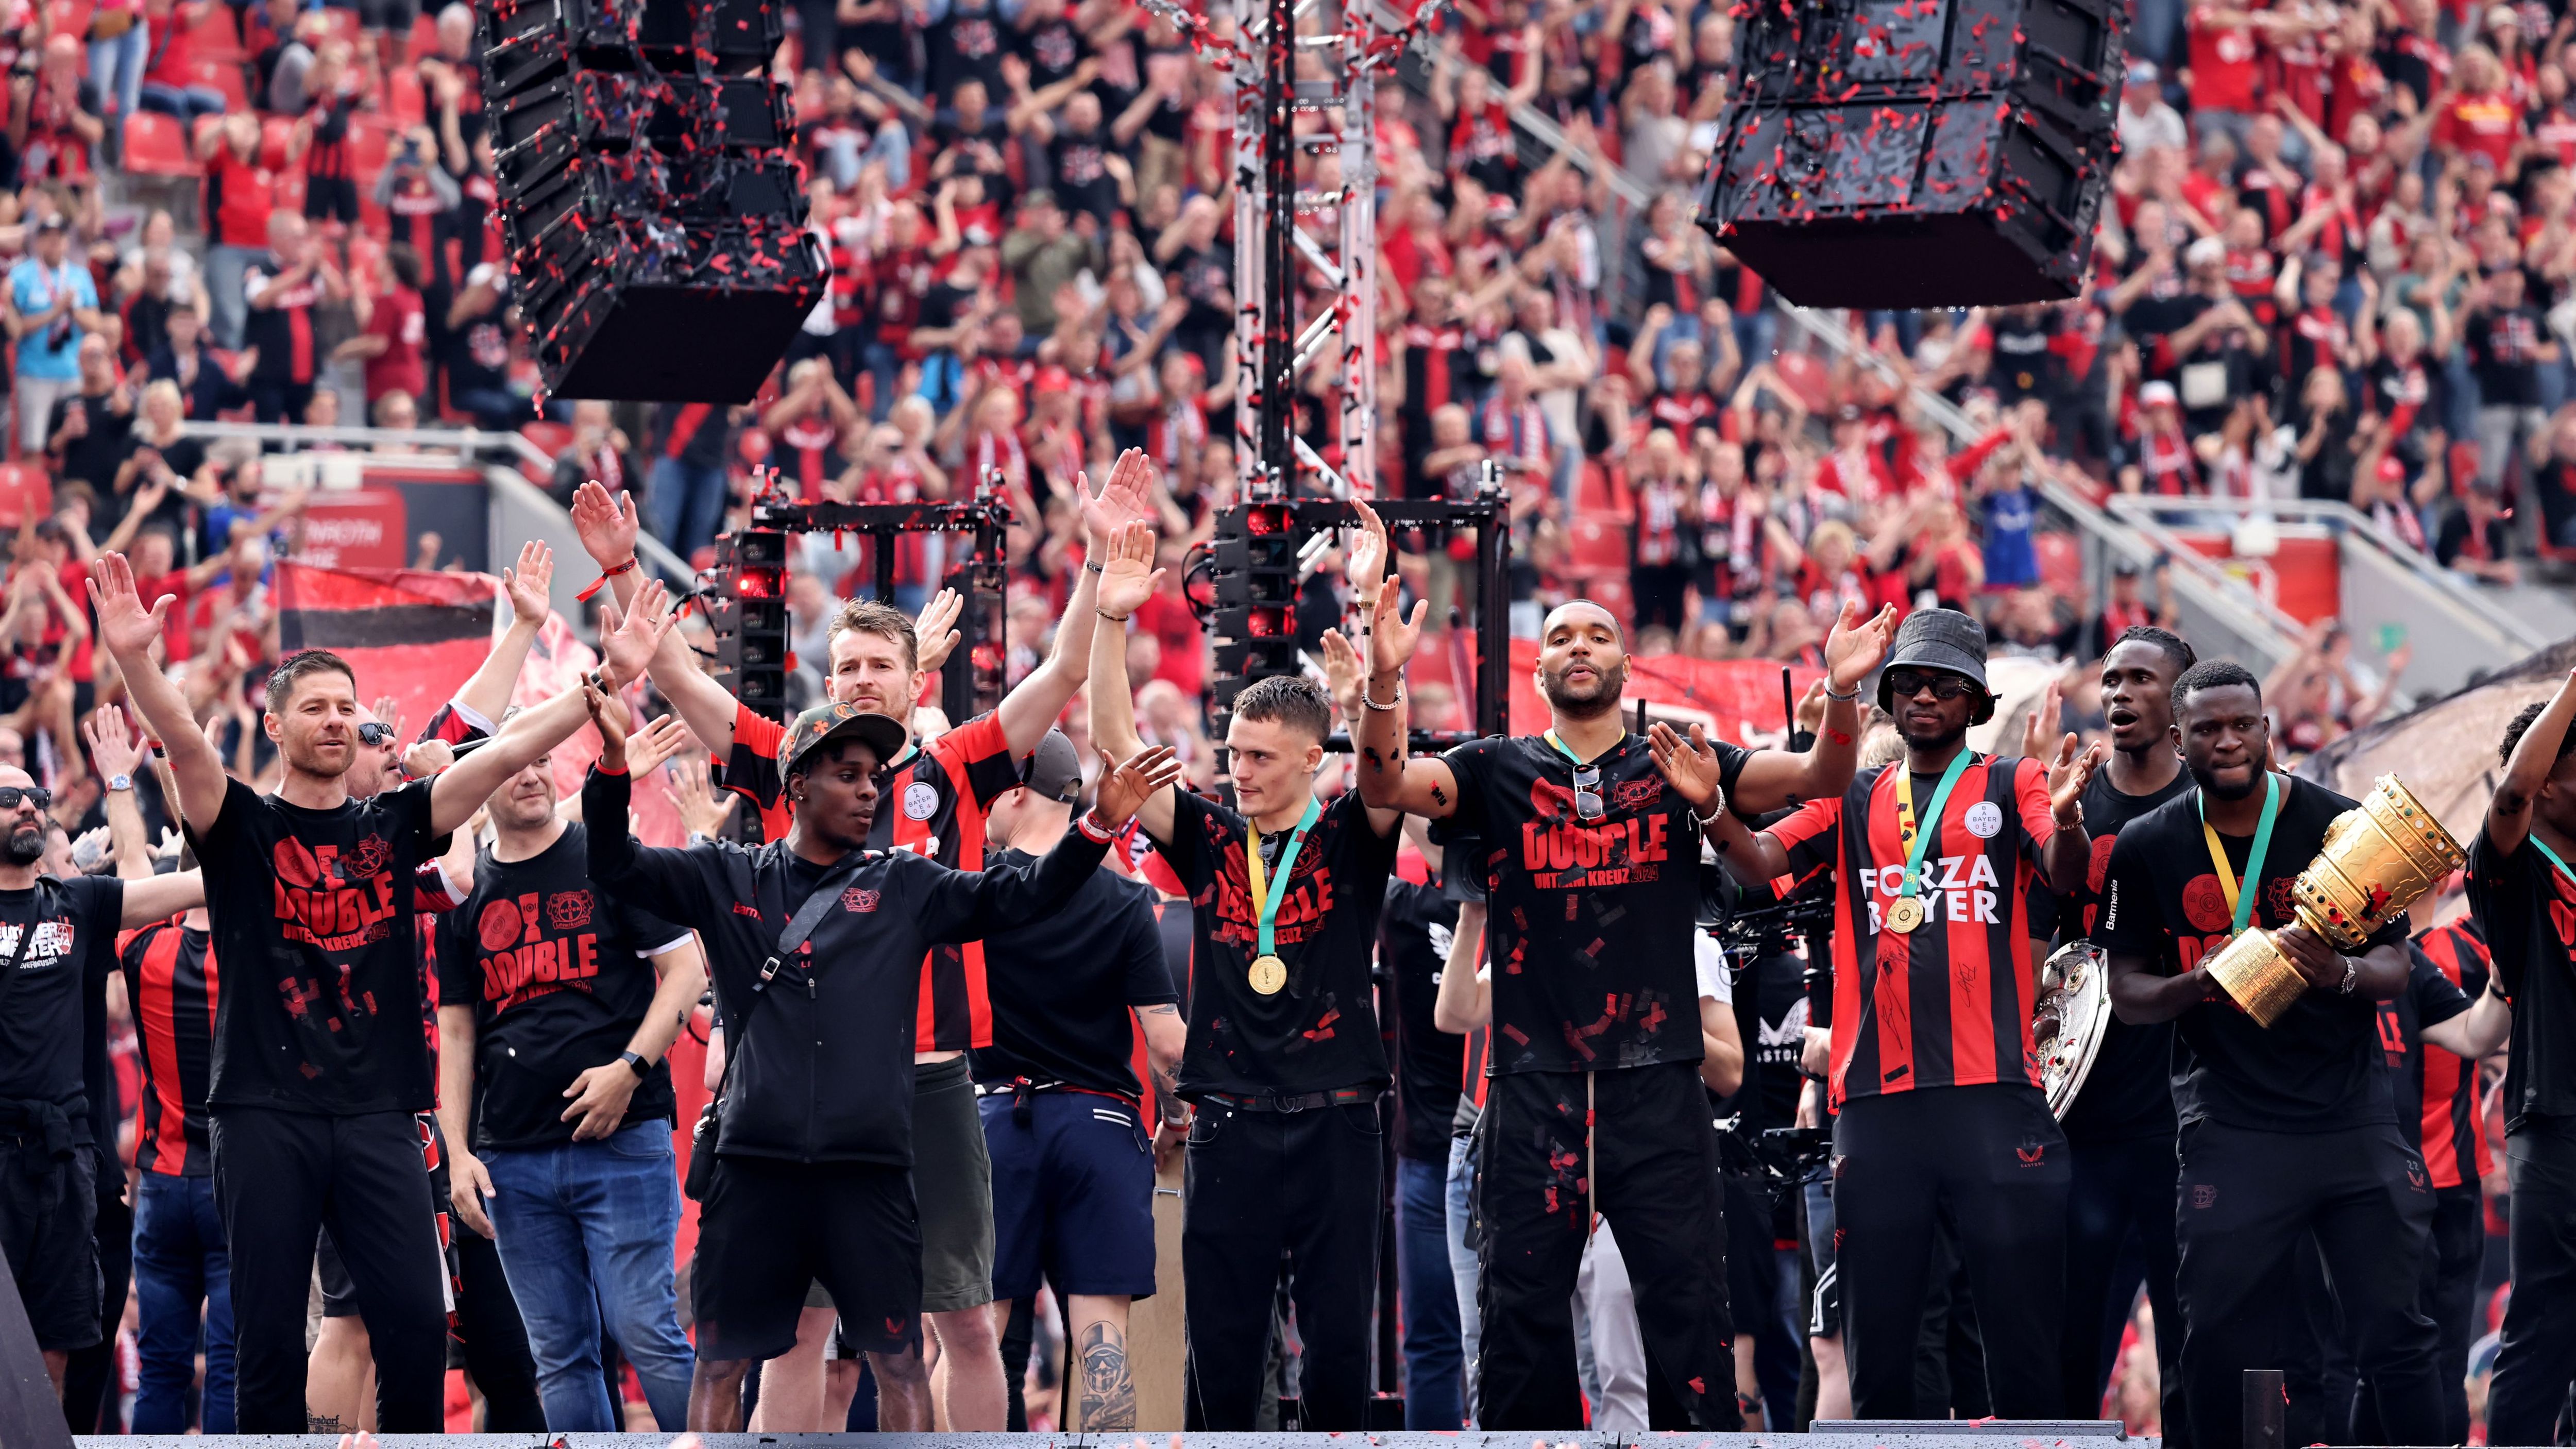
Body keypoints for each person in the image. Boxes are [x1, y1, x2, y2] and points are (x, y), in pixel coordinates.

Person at [569, 451, 1155, 1431]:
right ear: (826, 682)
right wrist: (628, 569)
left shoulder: (960, 761)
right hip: (796, 1087)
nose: (863, 681)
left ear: (915, 675)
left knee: (964, 1323)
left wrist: (1097, 561)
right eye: (846, 668)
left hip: (930, 1078)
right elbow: (671, 672)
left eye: (881, 666)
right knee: (794, 1333)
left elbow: (1058, 674)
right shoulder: (781, 761)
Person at [85, 548, 679, 1434]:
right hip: (262, 1113)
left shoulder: (395, 822)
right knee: (270, 1341)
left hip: (380, 1115)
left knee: (411, 1330)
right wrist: (137, 659)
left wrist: (607, 676)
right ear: (276, 727)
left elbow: (508, 746)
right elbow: (178, 737)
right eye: (315, 708)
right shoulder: (239, 826)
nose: (336, 721)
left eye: (347, 708)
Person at [1348, 486, 1898, 1431]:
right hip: (1535, 1088)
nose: (1576, 648)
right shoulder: (1494, 768)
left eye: (1595, 635)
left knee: (1689, 1325)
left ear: (1624, 661)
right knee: (1520, 1330)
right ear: (1538, 667)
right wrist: (1385, 677)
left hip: (1658, 1090)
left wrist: (1843, 693)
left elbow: (1822, 778)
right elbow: (1385, 781)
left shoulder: (1677, 758)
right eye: (1559, 636)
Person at [1704, 608, 2099, 1420]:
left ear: (1976, 705)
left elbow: (2062, 875)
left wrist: (2066, 819)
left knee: (2017, 1332)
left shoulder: (2013, 782)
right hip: (1879, 1106)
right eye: (1910, 683)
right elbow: (1758, 863)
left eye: (1946, 687)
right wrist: (1714, 810)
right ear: (1888, 696)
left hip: (1995, 1092)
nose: (1925, 697)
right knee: (1880, 1337)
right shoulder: (1851, 797)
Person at [1089, 519, 1404, 1430]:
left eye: (1262, 758)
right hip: (1228, 1119)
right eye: (1232, 754)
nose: (1241, 772)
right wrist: (1113, 617)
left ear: (1315, 758)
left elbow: (1389, 771)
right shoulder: (1211, 836)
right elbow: (1117, 743)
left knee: (1342, 1345)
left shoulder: (1351, 834)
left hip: (1338, 1117)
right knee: (1222, 1352)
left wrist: (1379, 679)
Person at [2097, 661, 2446, 1449]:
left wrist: (2338, 972)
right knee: (2220, 1343)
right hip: (2232, 1124)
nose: (2228, 742)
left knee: (2397, 1332)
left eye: (2242, 725)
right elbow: (2125, 993)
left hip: (2349, 1119)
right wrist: (2205, 982)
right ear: (2179, 741)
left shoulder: (2341, 823)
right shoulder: (2147, 847)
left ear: (2268, 729)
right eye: (2209, 730)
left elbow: (2396, 966)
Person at [432, 726, 710, 1431]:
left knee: (646, 1330)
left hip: (623, 1140)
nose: (529, 774)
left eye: (540, 759)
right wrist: (459, 1153)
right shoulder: (463, 894)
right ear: (481, 781)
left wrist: (629, 1070)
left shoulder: (609, 857)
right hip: (512, 1158)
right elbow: (458, 1031)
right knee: (557, 1354)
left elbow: (686, 973)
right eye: (511, 763)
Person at [970, 727, 1184, 1433]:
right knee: (1102, 1342)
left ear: (1015, 792)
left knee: (973, 1342)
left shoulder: (975, 893)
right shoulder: (1125, 898)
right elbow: (1166, 1045)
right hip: (1100, 1127)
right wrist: (1178, 1124)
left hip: (998, 1124)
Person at [0, 753, 204, 1405]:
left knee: (55, 1345)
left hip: (63, 1165)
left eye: (35, 794)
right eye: (11, 800)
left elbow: (189, 887)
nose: (30, 805)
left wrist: (188, 782)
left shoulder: (77, 903)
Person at [2054, 627, 2198, 1430]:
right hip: (2085, 1121)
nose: (2118, 694)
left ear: (2179, 702)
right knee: (2074, 1340)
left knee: (2190, 1342)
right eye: (2111, 679)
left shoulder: (2212, 808)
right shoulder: (2074, 803)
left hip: (2185, 1117)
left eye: (2141, 679)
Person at [94, 711, 236, 1434]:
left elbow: (130, 871)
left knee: (162, 1364)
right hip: (235, 1185)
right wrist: (189, 761)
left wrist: (126, 777)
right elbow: (218, 853)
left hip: (160, 1185)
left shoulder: (144, 946)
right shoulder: (251, 957)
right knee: (232, 1362)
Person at [2470, 668, 2576, 1445]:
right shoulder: (2514, 872)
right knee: (2547, 1320)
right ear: (2551, 782)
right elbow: (2510, 795)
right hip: (2560, 1119)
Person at [2358, 913, 2508, 1444]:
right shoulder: (2432, 944)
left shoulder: (2412, 958)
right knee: (2371, 1356)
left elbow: (2475, 1034)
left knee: (2429, 1356)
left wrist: (2500, 979)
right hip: (2368, 1183)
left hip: (2444, 1178)